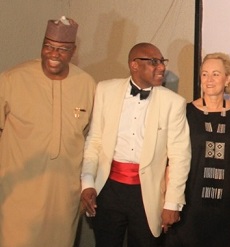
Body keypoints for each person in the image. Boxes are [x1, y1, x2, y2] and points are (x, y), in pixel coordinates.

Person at [80, 42, 191, 247]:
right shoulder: (105, 89)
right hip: (108, 190)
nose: (162, 67)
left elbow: (180, 157)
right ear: (134, 65)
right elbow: (94, 141)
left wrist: (172, 203)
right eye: (154, 62)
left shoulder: (173, 103)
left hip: (146, 194)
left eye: (162, 62)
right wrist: (87, 183)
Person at [0, 16, 96, 247]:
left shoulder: (87, 85)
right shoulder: (11, 79)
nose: (54, 54)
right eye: (49, 46)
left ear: (73, 51)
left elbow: (93, 140)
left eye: (62, 49)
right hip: (18, 195)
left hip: (64, 197)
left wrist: (87, 185)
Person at [164, 53, 230, 247]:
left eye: (216, 74)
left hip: (225, 207)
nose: (209, 80)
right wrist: (168, 201)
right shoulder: (185, 112)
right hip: (190, 205)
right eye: (204, 74)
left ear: (228, 79)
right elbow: (172, 160)